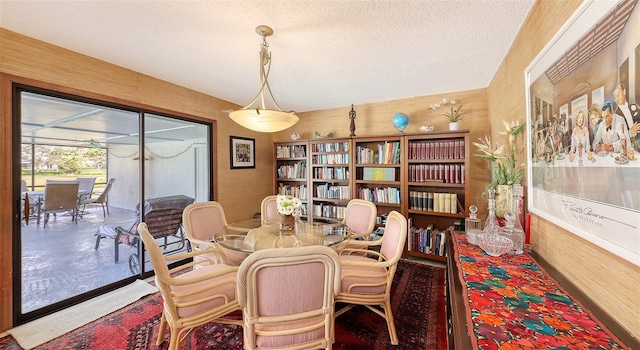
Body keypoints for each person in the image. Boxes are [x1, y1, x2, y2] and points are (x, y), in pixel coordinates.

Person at [612, 84, 639, 151]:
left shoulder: (634, 107)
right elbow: (615, 138)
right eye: (615, 96)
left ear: (624, 92)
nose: (617, 97)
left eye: (619, 93)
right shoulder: (615, 116)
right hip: (627, 147)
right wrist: (630, 132)